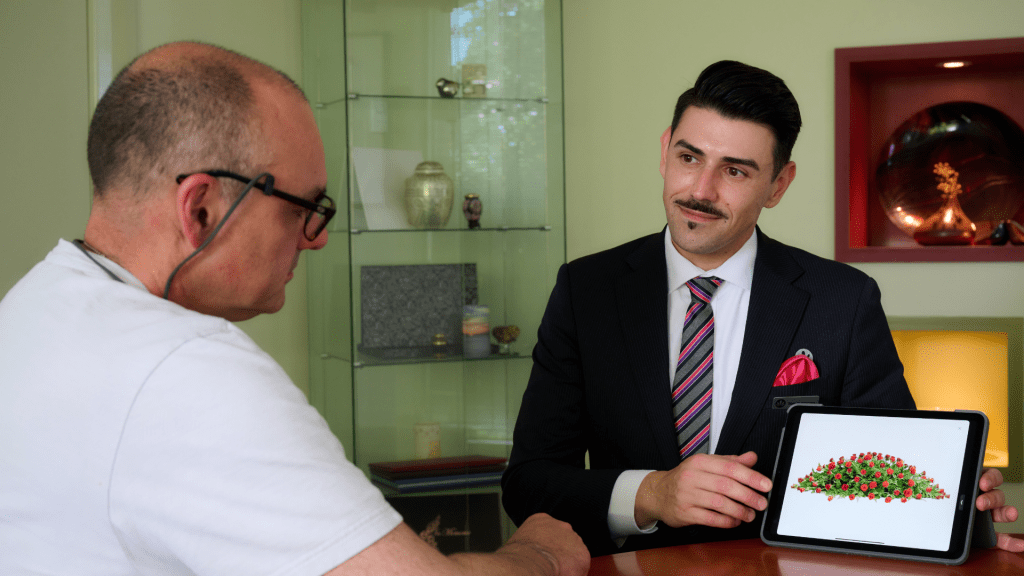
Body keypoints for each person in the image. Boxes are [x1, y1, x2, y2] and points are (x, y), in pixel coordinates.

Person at [0, 42, 589, 576]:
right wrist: (539, 554)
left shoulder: (32, 309)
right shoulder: (184, 368)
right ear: (200, 208)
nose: (318, 238)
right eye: (300, 208)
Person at [500, 60, 1022, 556]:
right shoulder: (586, 290)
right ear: (664, 151)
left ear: (778, 185)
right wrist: (651, 494)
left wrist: (960, 518)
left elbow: (889, 476)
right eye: (689, 158)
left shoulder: (843, 299)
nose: (700, 190)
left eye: (734, 171)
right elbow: (528, 484)